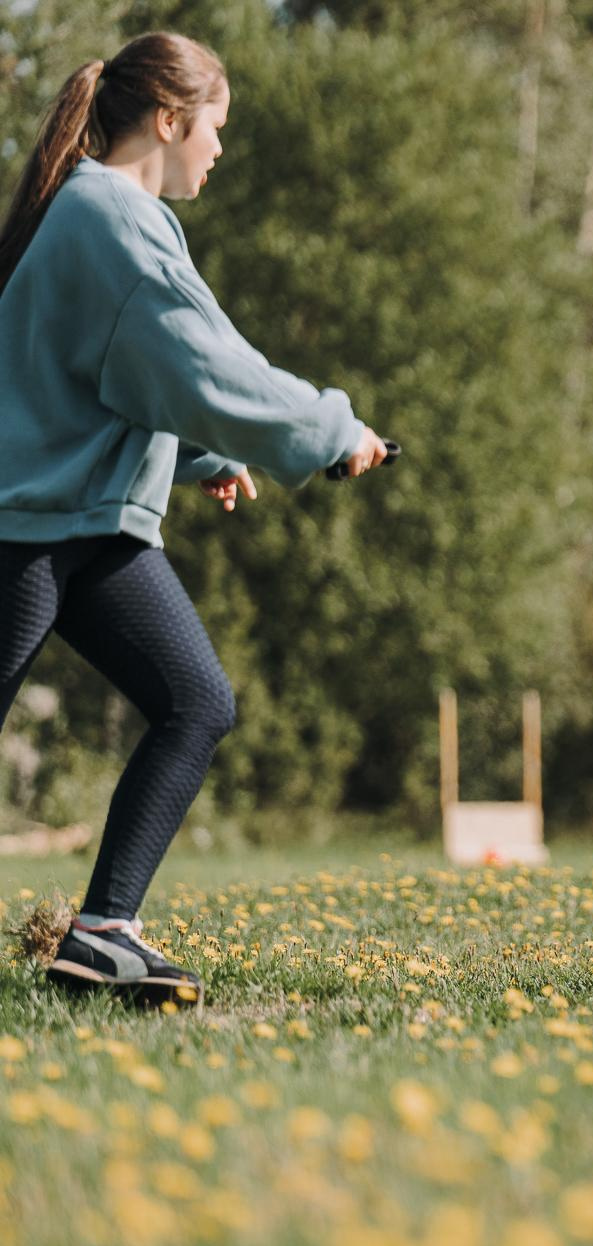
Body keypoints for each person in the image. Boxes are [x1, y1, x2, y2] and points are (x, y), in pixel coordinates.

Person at [0, 33, 390, 1006]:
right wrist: (330, 429)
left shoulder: (100, 211)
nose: (219, 150)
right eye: (216, 127)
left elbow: (126, 372)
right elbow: (207, 364)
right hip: (26, 524)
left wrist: (208, 456)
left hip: (87, 523)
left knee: (196, 701)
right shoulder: (111, 214)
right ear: (171, 120)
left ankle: (103, 935)